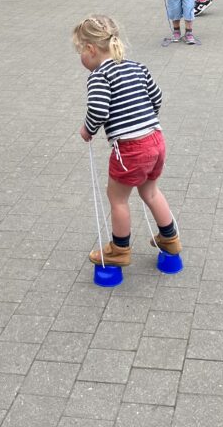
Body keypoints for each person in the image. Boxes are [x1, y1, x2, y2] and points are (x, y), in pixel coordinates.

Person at [74, 14, 181, 268]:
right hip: (155, 139)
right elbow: (157, 97)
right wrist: (143, 122)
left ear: (91, 49)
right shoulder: (137, 67)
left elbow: (98, 110)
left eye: (80, 51)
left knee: (117, 198)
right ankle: (170, 239)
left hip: (131, 149)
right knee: (150, 192)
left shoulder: (100, 76)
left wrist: (88, 130)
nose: (81, 57)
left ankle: (119, 250)